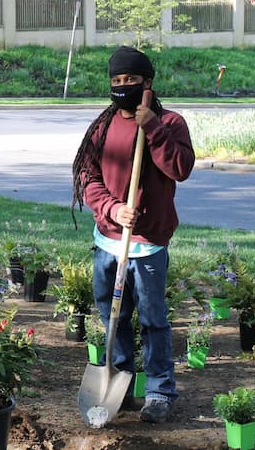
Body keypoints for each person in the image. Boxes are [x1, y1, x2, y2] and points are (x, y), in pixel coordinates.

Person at [71, 46, 195, 423]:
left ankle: (159, 390)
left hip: (149, 243)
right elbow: (86, 176)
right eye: (117, 81)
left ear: (148, 84)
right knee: (113, 316)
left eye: (131, 80)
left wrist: (151, 128)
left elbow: (180, 168)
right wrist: (112, 208)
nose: (123, 86)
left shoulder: (170, 123)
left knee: (153, 319)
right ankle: (121, 379)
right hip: (108, 240)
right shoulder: (103, 127)